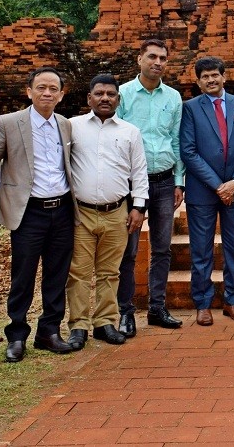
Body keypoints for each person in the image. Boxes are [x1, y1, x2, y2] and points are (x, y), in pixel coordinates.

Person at [0, 67, 77, 361]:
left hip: (61, 209)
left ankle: (49, 331)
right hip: (28, 212)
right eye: (41, 87)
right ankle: (16, 335)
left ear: (61, 95)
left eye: (53, 89)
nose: (47, 93)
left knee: (57, 275)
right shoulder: (9, 123)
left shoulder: (65, 125)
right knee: (22, 276)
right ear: (29, 91)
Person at [66, 75, 150, 350]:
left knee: (110, 271)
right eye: (99, 93)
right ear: (89, 98)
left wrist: (139, 206)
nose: (105, 98)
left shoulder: (129, 131)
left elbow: (139, 172)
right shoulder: (72, 127)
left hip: (117, 212)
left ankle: (105, 322)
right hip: (82, 213)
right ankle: (78, 326)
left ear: (118, 99)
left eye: (111, 94)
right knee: (78, 272)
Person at [116, 39, 185, 336]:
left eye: (163, 58)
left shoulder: (173, 97)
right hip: (132, 184)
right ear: (139, 59)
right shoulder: (123, 95)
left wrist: (179, 181)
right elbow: (114, 139)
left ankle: (157, 307)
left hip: (165, 179)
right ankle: (125, 311)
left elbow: (177, 139)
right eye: (152, 57)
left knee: (162, 248)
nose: (158, 62)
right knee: (128, 250)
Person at [180, 57, 234, 326]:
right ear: (198, 82)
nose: (211, 80)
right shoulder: (189, 108)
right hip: (203, 190)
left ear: (224, 76)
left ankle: (233, 299)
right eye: (205, 77)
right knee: (201, 249)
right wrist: (217, 184)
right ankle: (202, 302)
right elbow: (188, 151)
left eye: (215, 75)